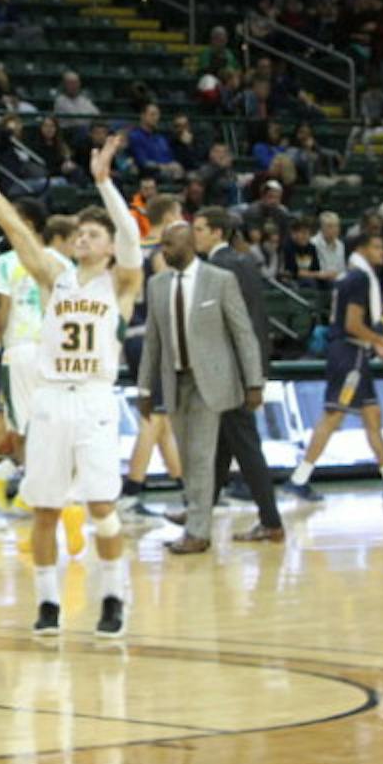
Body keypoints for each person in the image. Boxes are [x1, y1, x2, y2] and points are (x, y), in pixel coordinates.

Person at [0, 135, 139, 637]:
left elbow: (133, 239)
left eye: (95, 235)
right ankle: (49, 603)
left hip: (95, 398)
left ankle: (114, 596)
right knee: (46, 508)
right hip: (51, 397)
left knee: (101, 507)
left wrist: (103, 183)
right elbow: (13, 227)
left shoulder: (120, 284)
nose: (84, 240)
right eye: (80, 234)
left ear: (110, 246)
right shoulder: (56, 278)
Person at [137, 219, 267, 556]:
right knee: (188, 456)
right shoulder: (157, 285)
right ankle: (196, 521)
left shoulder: (220, 280)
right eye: (161, 245)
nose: (162, 251)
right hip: (174, 379)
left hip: (211, 380)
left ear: (188, 245)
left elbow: (243, 334)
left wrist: (254, 382)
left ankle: (198, 531)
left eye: (169, 245)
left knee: (201, 455)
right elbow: (153, 341)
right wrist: (145, 389)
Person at [0, 207, 75, 532]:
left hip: (26, 351)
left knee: (13, 425)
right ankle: (8, 489)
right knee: (24, 425)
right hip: (48, 353)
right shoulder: (62, 264)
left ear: (28, 225)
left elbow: (0, 315)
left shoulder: (9, 262)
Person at [286, 229, 383, 501]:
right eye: (376, 246)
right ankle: (298, 480)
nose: (382, 252)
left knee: (373, 417)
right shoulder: (360, 279)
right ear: (361, 250)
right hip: (349, 356)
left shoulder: (347, 276)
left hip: (352, 355)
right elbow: (352, 325)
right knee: (333, 417)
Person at [197, 207, 286, 542]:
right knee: (223, 447)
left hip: (230, 371)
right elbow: (257, 321)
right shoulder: (246, 262)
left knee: (247, 449)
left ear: (217, 232)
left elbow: (226, 326)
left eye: (201, 228)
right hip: (245, 366)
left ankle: (272, 521)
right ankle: (198, 513)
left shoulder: (216, 268)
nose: (196, 235)